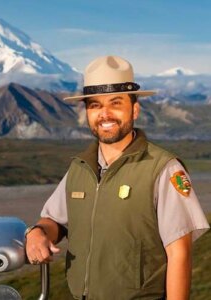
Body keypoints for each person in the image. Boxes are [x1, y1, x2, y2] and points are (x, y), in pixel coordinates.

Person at [25, 55, 210, 300]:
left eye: (115, 103)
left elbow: (179, 254)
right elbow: (56, 221)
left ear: (134, 109)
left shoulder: (163, 169)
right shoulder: (80, 167)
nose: (105, 114)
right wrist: (37, 231)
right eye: (95, 105)